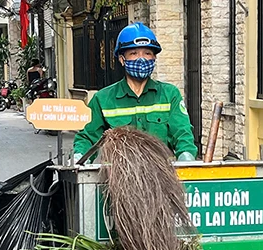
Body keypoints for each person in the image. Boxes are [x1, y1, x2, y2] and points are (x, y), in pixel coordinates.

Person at [73, 22, 197, 162]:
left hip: (162, 177)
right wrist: (79, 158)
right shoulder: (103, 99)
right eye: (133, 53)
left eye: (147, 53)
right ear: (121, 59)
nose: (141, 59)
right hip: (119, 177)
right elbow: (87, 137)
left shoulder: (169, 95)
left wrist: (186, 157)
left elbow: (182, 133)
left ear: (154, 58)